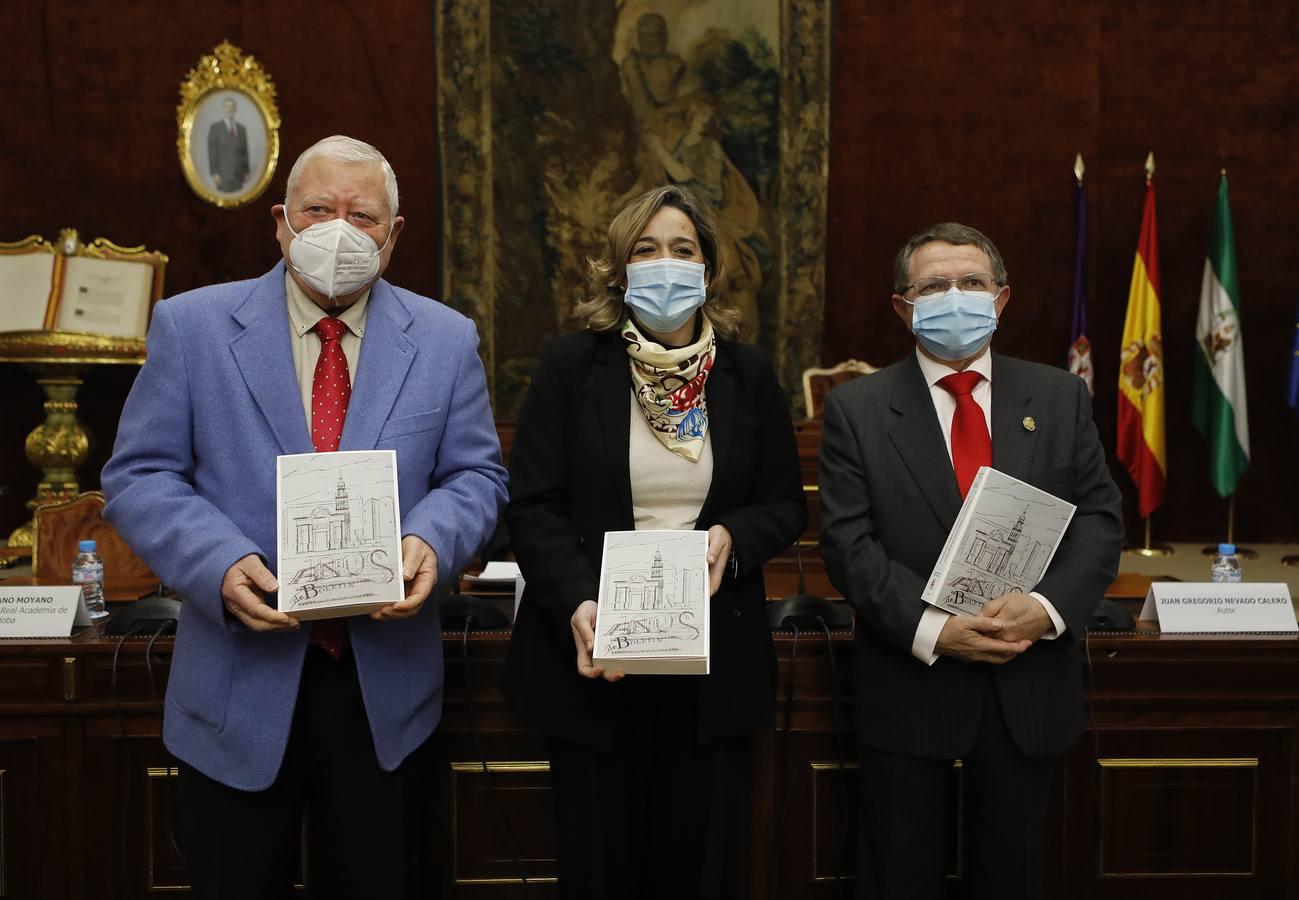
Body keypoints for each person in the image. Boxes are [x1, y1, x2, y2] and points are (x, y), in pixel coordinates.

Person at [102, 135, 507, 899]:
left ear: (393, 235)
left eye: (363, 216)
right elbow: (139, 475)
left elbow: (476, 476)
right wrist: (217, 563)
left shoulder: (445, 340)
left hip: (384, 697)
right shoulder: (192, 328)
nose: (339, 231)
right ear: (281, 224)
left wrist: (431, 539)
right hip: (236, 689)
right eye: (319, 210)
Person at [503, 184, 806, 899]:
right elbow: (534, 506)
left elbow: (784, 503)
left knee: (701, 868)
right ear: (619, 269)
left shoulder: (748, 373)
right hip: (594, 660)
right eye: (645, 250)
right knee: (598, 867)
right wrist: (579, 602)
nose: (665, 263)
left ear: (709, 268)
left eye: (682, 249)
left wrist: (734, 536)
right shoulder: (570, 366)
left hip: (713, 666)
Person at [818, 223, 1123, 900]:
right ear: (902, 307)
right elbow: (847, 544)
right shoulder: (856, 409)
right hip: (910, 688)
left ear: (1001, 297)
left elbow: (1100, 522)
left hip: (1027, 685)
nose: (954, 296)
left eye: (971, 282)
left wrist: (1044, 609)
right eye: (933, 286)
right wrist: (935, 629)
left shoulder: (1059, 397)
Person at [208, 96, 250, 193]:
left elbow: (245, 152)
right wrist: (214, 173)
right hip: (223, 176)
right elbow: (212, 152)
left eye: (232, 106)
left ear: (236, 109)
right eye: (227, 107)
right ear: (223, 109)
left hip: (239, 176)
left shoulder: (241, 129)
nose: (230, 109)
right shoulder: (216, 128)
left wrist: (246, 171)